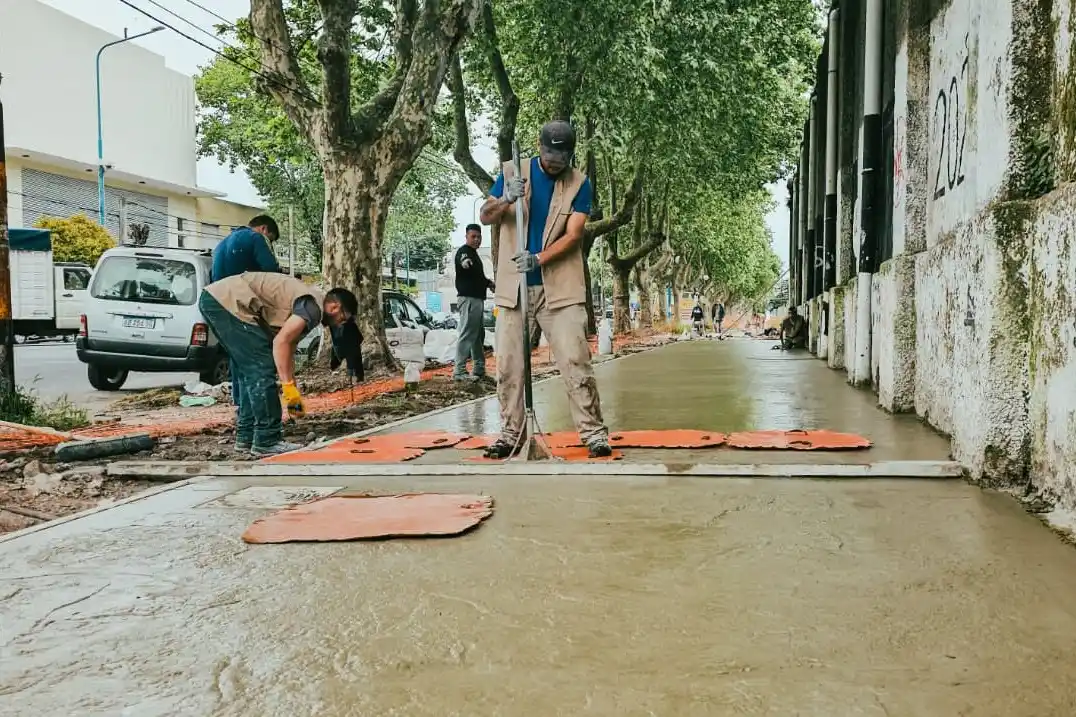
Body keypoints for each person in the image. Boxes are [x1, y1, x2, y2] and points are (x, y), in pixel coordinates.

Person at [479, 120, 611, 459]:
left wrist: (538, 259)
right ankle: (511, 435)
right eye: (550, 152)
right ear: (539, 147)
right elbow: (486, 216)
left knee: (575, 360)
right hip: (515, 289)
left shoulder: (580, 183)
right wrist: (506, 198)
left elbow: (574, 235)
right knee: (508, 366)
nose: (555, 160)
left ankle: (593, 434)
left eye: (562, 154)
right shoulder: (512, 172)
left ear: (571, 154)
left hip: (560, 290)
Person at [198, 272, 361, 456]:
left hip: (218, 299)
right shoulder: (313, 307)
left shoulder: (308, 304)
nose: (340, 325)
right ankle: (266, 440)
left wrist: (293, 394)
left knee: (249, 371)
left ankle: (247, 436)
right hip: (229, 301)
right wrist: (288, 389)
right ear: (334, 306)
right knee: (261, 368)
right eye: (343, 318)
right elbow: (280, 343)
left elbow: (288, 348)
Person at [210, 215, 282, 400]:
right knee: (256, 358)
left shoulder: (221, 244)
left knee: (237, 356)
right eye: (271, 240)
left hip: (219, 305)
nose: (269, 243)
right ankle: (258, 406)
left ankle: (241, 406)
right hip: (244, 304)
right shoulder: (256, 238)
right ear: (264, 229)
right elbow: (271, 271)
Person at [453, 224, 495, 381]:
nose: (477, 239)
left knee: (478, 335)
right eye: (473, 236)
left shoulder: (475, 255)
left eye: (479, 237)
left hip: (477, 299)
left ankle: (479, 370)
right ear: (466, 237)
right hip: (469, 299)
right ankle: (459, 372)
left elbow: (477, 277)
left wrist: (489, 284)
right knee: (467, 334)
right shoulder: (464, 251)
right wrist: (465, 263)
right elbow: (464, 261)